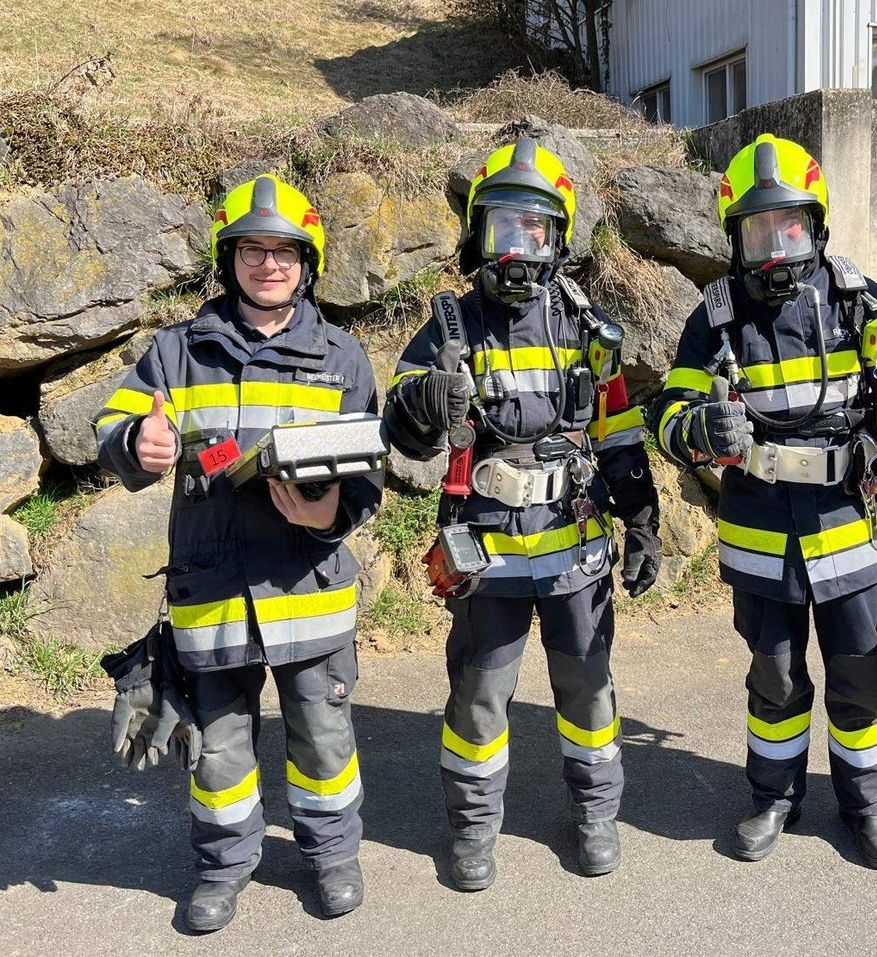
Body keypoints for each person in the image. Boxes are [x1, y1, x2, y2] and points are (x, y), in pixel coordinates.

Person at [651, 134, 877, 868]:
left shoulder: (863, 306)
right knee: (776, 677)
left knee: (860, 679)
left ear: (816, 225)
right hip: (762, 538)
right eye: (759, 229)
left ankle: (867, 808)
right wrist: (698, 427)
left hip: (855, 533)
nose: (776, 244)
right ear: (735, 236)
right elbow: (665, 416)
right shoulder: (715, 318)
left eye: (790, 224)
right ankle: (773, 799)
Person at [94, 175, 382, 929]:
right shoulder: (174, 353)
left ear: (307, 263)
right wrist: (138, 442)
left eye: (284, 250)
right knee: (219, 750)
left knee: (323, 736)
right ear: (230, 259)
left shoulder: (343, 357)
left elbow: (367, 473)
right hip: (212, 590)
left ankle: (332, 858)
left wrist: (328, 508)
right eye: (251, 249)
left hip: (307, 586)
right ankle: (223, 867)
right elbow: (113, 432)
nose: (267, 264)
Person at [383, 137, 661, 891]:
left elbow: (620, 432)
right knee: (479, 698)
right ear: (478, 232)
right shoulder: (449, 327)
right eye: (503, 224)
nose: (518, 243)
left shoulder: (587, 328)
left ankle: (596, 815)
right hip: (488, 553)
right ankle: (472, 832)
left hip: (574, 553)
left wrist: (642, 520)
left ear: (558, 236)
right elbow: (397, 428)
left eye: (534, 227)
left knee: (589, 693)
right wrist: (423, 402)